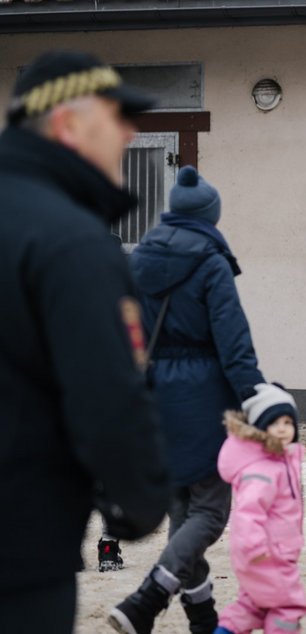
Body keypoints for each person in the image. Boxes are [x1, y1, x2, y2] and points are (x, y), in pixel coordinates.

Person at [0, 50, 169, 632]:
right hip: (20, 556)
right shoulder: (69, 239)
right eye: (116, 116)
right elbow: (108, 396)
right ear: (68, 125)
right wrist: (139, 502)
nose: (129, 131)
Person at [109, 166, 266, 634]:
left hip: (152, 393)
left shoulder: (135, 261)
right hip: (204, 396)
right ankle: (146, 599)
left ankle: (203, 617)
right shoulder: (212, 261)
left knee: (183, 510)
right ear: (209, 216)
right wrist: (257, 401)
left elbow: (121, 333)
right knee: (211, 511)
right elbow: (233, 344)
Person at [214, 383, 306, 634]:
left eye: (288, 422)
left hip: (271, 552)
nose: (282, 428)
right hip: (266, 553)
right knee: (287, 607)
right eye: (274, 422)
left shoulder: (278, 461)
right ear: (259, 428)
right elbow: (247, 512)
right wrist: (255, 549)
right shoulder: (262, 470)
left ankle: (225, 630)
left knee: (252, 605)